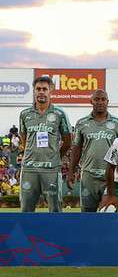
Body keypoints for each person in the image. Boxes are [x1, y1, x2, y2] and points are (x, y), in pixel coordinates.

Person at [18, 76, 71, 212]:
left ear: (50, 91)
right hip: (29, 168)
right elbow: (24, 138)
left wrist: (56, 157)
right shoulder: (25, 114)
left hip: (51, 169)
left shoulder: (59, 114)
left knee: (55, 210)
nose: (41, 92)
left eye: (44, 89)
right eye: (38, 89)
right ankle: (27, 234)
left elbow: (68, 140)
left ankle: (56, 233)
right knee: (26, 210)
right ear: (34, 91)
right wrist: (30, 153)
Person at [69, 90, 118, 212]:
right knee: (87, 214)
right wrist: (71, 171)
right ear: (91, 101)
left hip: (110, 176)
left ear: (107, 102)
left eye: (103, 99)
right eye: (96, 99)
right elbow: (76, 148)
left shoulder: (117, 123)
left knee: (109, 212)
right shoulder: (82, 123)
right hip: (89, 176)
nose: (100, 102)